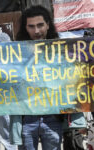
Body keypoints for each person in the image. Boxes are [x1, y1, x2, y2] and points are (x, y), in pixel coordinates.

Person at [12, 5, 63, 150]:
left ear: (48, 25)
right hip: (26, 117)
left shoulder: (62, 50)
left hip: (53, 116)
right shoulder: (14, 54)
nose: (36, 31)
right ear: (25, 28)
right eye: (31, 26)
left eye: (40, 25)